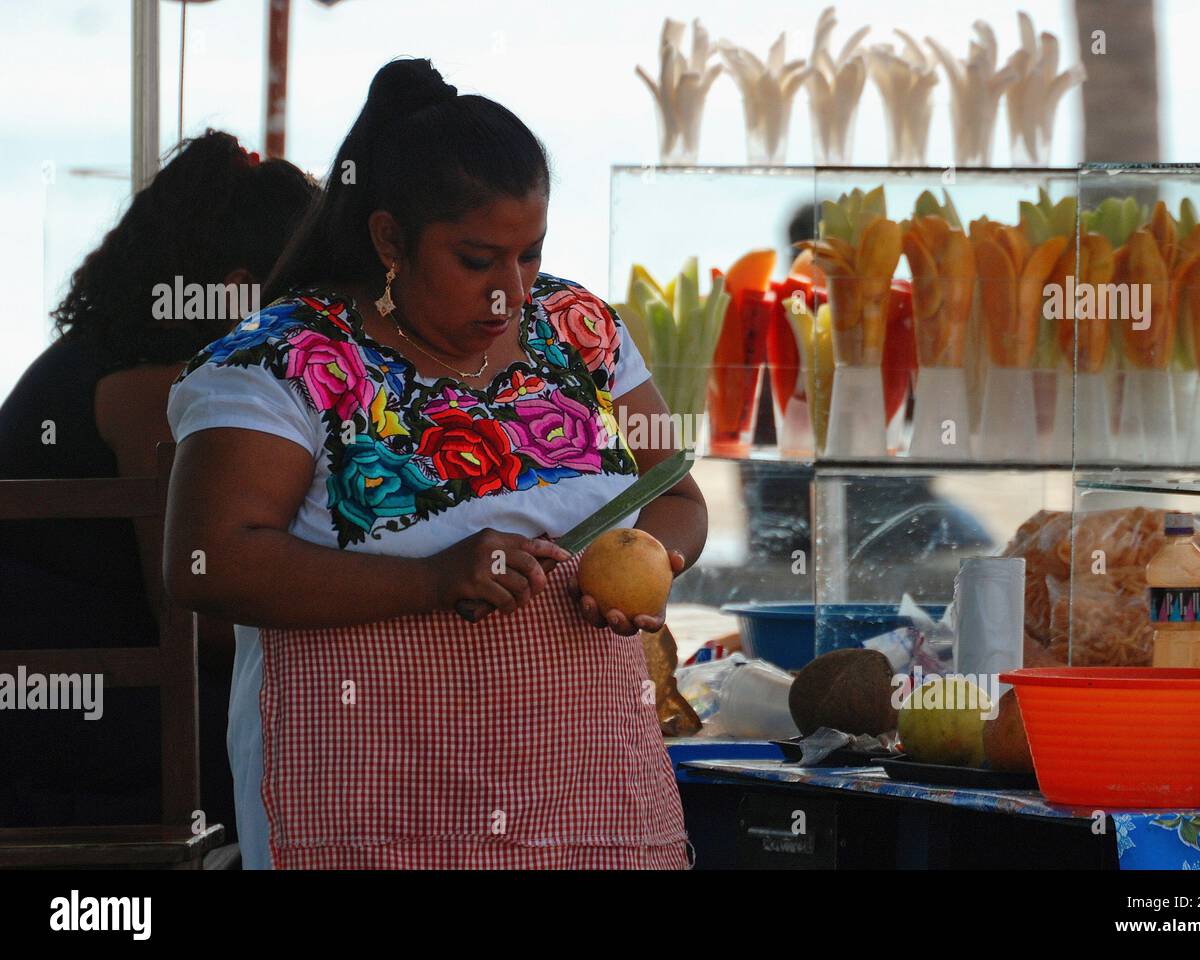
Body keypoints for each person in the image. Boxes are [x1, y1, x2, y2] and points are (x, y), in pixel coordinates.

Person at [163, 59, 707, 869]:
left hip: (589, 804)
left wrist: (645, 563)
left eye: (529, 255)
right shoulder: (287, 360)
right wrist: (431, 579)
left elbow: (678, 497)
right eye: (477, 260)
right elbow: (209, 563)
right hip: (365, 810)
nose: (510, 295)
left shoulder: (579, 327)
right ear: (390, 238)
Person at [0, 131, 318, 834]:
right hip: (81, 728)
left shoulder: (97, 360)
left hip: (74, 703)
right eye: (304, 299)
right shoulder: (157, 391)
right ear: (239, 289)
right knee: (329, 742)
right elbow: (196, 618)